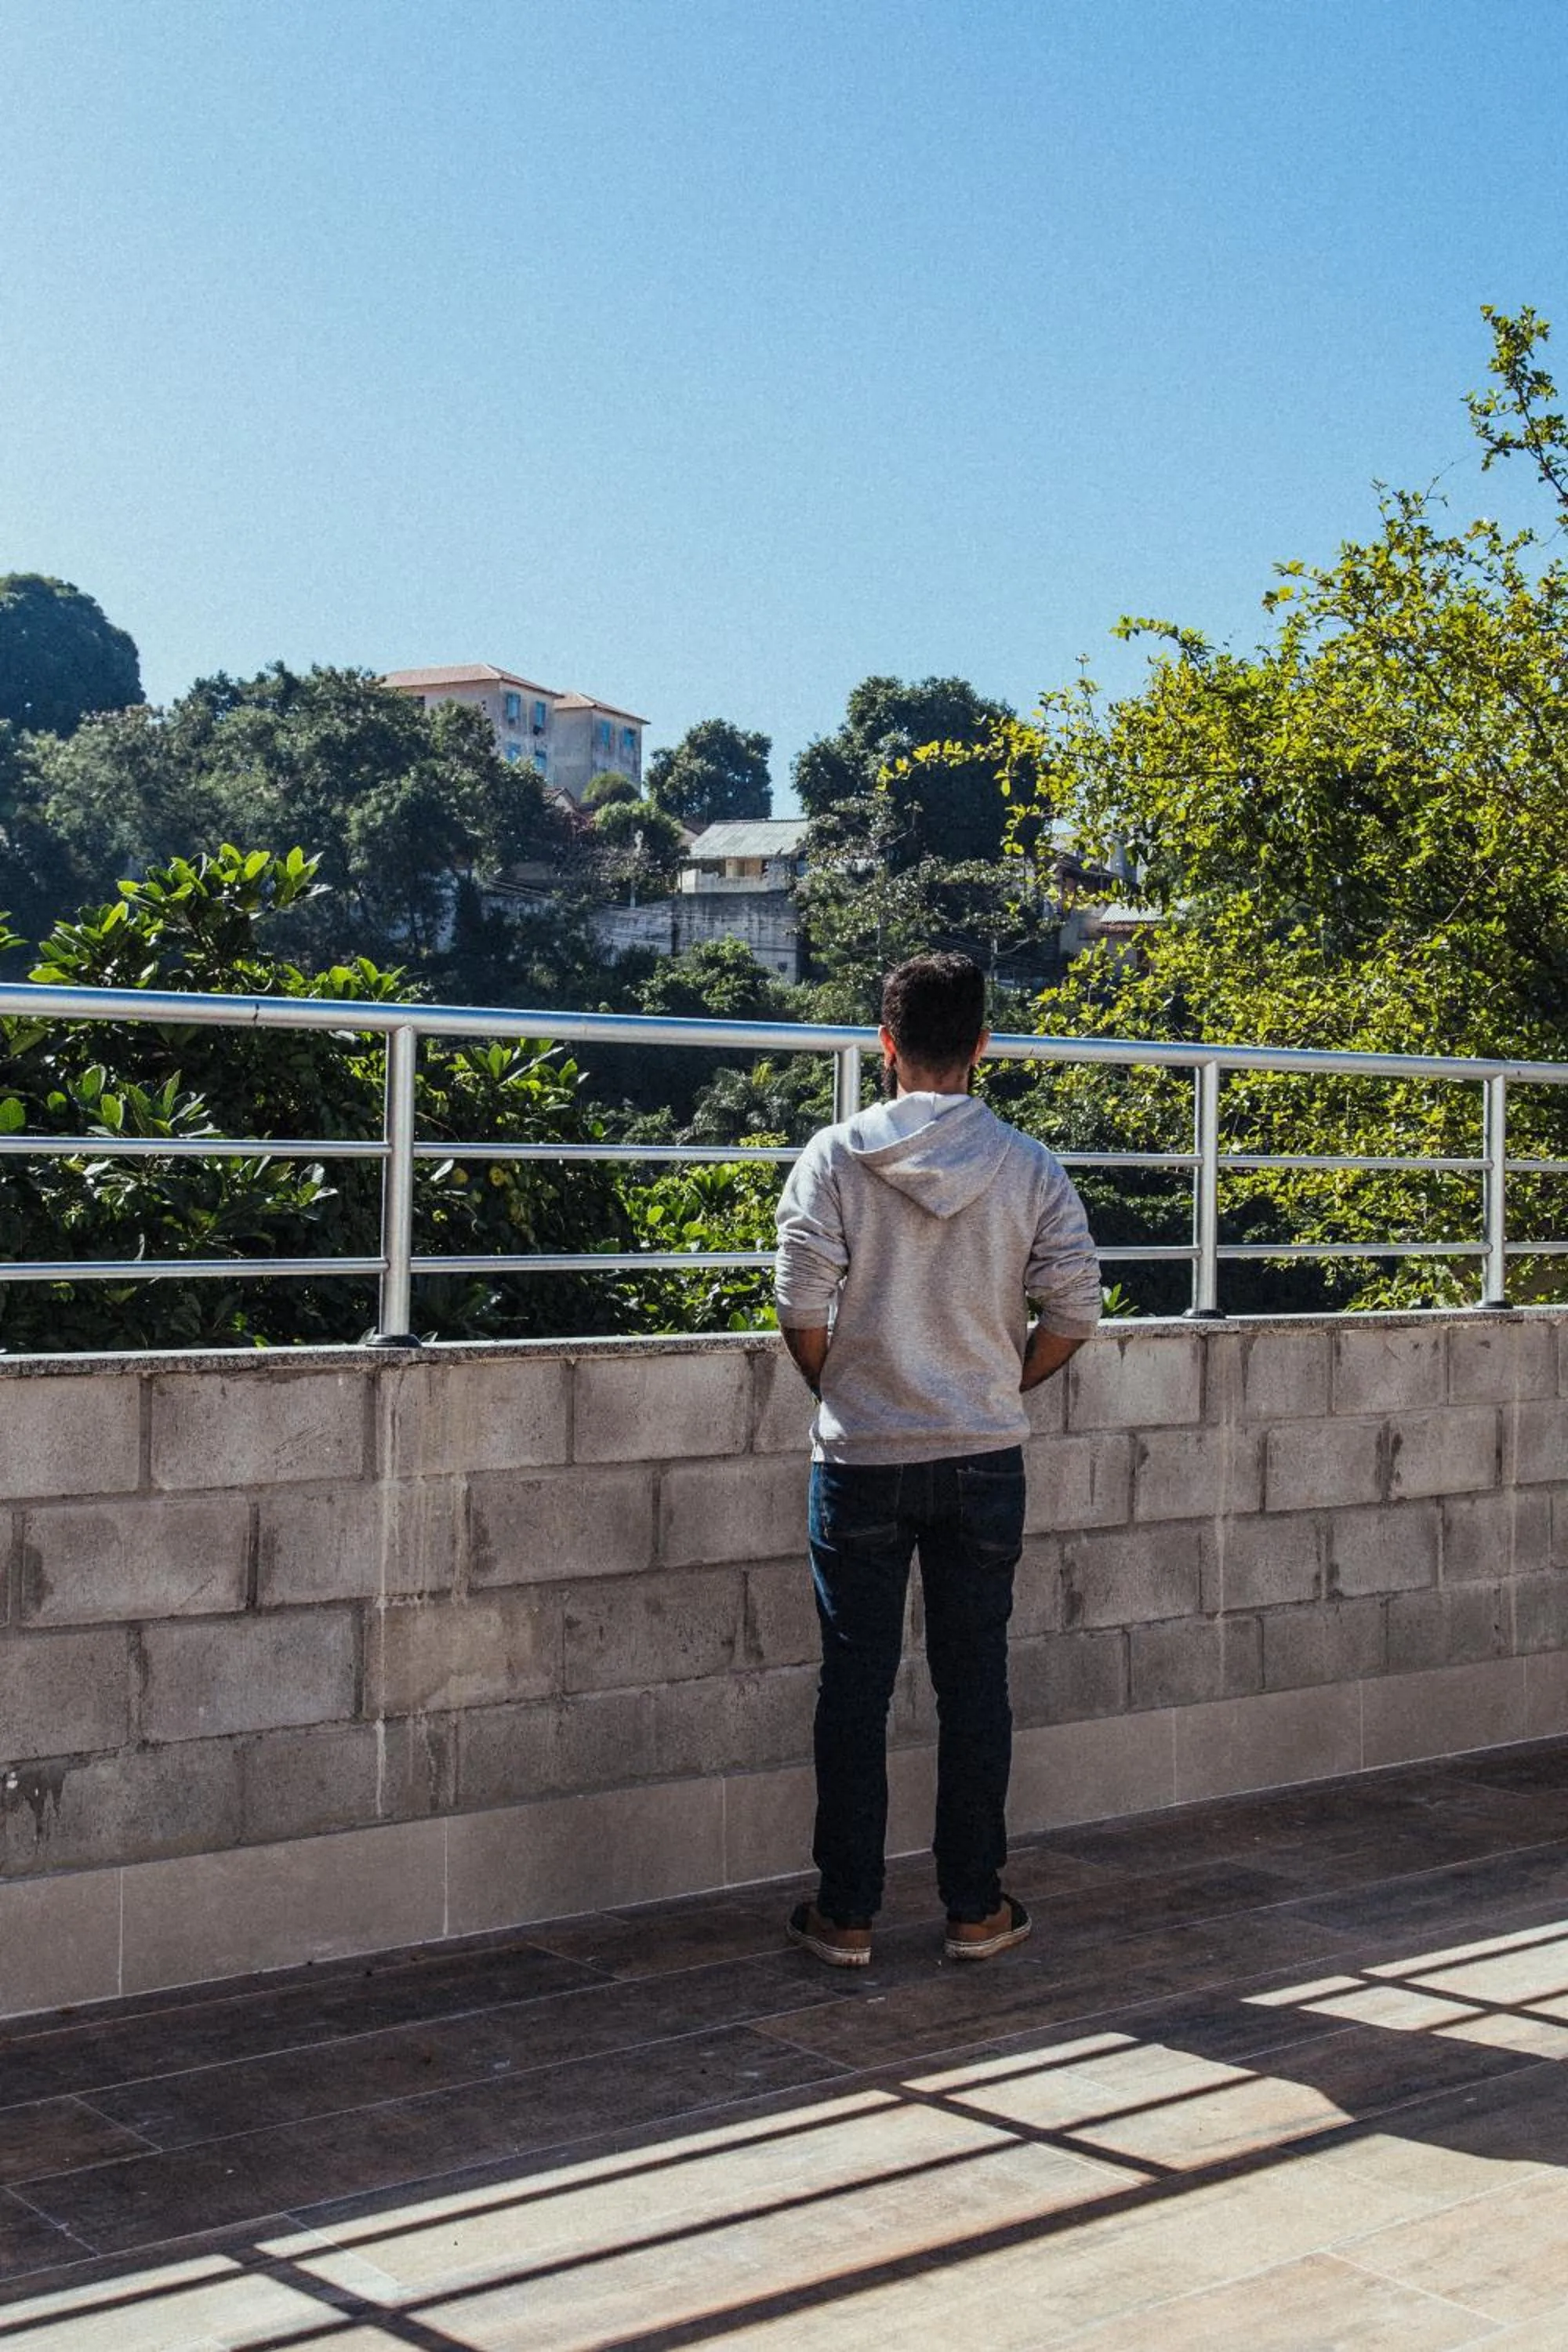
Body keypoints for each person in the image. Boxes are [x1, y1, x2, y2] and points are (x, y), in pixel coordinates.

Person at [774, 952, 1102, 1967]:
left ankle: (849, 1914)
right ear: (982, 1049)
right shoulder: (1030, 1164)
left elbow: (797, 1302)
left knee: (854, 1687)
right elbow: (1077, 1308)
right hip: (982, 1456)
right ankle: (974, 1909)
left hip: (862, 1454)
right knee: (975, 1685)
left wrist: (846, 1386)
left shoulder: (833, 1157)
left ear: (885, 1046)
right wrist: (1004, 1380)